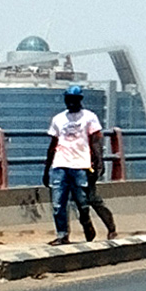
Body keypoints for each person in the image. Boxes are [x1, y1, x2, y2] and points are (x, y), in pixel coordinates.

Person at [45, 86, 105, 244]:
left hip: (80, 165)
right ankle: (62, 235)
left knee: (82, 202)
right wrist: (46, 169)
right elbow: (52, 145)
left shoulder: (89, 117)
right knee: (58, 203)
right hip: (60, 165)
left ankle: (86, 222)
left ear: (80, 100)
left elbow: (96, 141)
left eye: (74, 99)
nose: (71, 102)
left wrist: (99, 162)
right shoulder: (58, 119)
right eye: (68, 99)